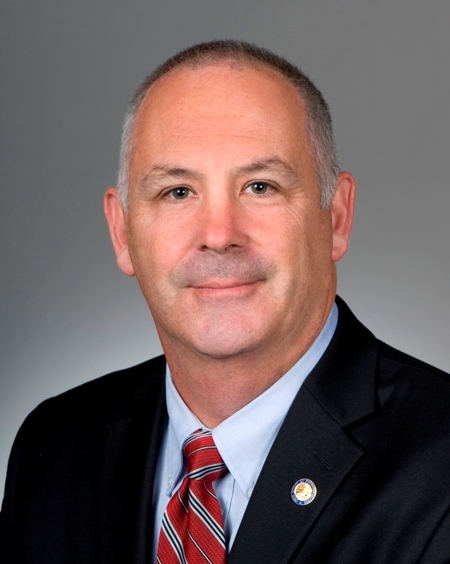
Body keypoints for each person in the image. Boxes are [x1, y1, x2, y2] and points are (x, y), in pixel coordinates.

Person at [2, 40, 450, 564]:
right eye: (177, 192)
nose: (218, 235)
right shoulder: (55, 448)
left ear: (336, 217)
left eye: (260, 187)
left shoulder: (440, 463)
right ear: (122, 232)